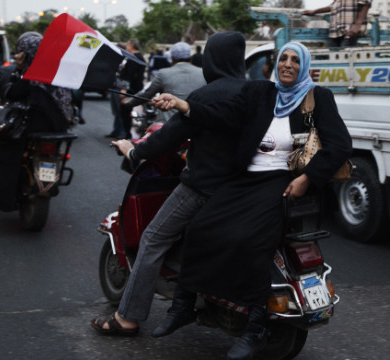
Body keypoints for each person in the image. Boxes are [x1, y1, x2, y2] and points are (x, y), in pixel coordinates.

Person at [152, 41, 352, 360]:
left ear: (304, 66)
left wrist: (307, 178)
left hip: (280, 182)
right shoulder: (260, 92)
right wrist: (181, 104)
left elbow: (340, 144)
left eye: (295, 60)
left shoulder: (318, 97)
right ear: (274, 64)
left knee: (251, 242)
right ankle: (183, 305)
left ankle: (255, 327)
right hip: (243, 178)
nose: (287, 64)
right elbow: (222, 115)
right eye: (282, 58)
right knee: (200, 227)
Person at [90, 31, 249, 338]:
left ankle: (128, 317)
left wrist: (132, 150)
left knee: (153, 239)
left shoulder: (207, 94)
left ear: (211, 59)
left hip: (202, 186)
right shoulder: (254, 92)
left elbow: (165, 139)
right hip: (241, 188)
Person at [0, 32, 72, 223]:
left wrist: (18, 72)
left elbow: (12, 93)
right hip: (57, 129)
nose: (17, 56)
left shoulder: (31, 73)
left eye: (21, 53)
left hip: (28, 128)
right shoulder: (58, 71)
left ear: (27, 54)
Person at [122, 41, 205, 123]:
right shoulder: (203, 73)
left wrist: (128, 103)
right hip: (196, 124)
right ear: (190, 57)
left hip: (167, 125)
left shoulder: (163, 73)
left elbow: (146, 93)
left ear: (172, 58)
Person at [106, 40, 145, 139]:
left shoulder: (133, 58)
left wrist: (124, 90)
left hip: (129, 90)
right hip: (134, 89)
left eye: (127, 45)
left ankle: (125, 133)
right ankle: (118, 131)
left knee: (124, 111)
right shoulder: (140, 57)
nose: (126, 46)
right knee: (121, 111)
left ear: (131, 46)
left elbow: (129, 76)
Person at [301, 0, 372, 47]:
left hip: (350, 30)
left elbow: (366, 2)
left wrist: (357, 24)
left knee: (345, 59)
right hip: (334, 31)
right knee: (332, 58)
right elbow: (333, 6)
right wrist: (314, 11)